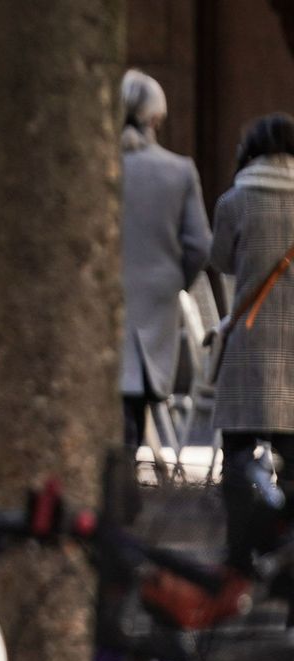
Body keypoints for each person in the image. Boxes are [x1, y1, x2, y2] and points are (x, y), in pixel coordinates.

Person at [210, 112, 294, 577]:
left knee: (239, 455)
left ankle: (241, 553)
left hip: (250, 344)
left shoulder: (235, 201)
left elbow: (219, 259)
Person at [117, 69, 212, 453]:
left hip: (102, 299)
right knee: (138, 394)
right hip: (156, 298)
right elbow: (200, 245)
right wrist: (177, 280)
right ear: (156, 117)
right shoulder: (179, 170)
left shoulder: (94, 167)